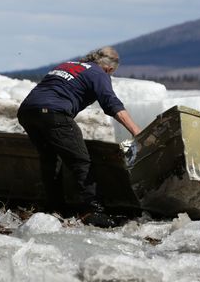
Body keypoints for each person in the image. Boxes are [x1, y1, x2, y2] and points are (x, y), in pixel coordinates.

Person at [17, 46, 142, 227]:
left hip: (27, 112)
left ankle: (54, 209)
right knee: (80, 161)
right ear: (109, 68)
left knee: (50, 159)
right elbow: (111, 103)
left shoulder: (67, 65)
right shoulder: (99, 73)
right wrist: (136, 131)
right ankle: (91, 211)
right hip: (54, 113)